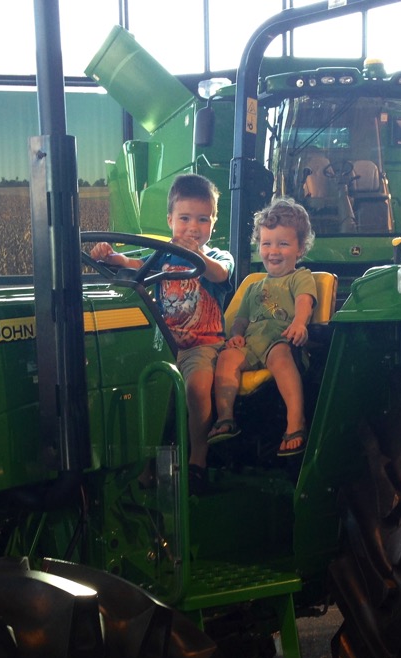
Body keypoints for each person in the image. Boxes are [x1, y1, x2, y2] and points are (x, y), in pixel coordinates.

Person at [90, 173, 234, 492]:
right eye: (185, 218)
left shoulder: (218, 257)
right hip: (163, 345)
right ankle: (145, 464)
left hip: (201, 346)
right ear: (170, 219)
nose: (193, 227)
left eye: (203, 219)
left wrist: (198, 255)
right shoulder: (161, 255)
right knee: (142, 391)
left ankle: (198, 458)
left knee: (196, 387)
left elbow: (220, 273)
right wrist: (110, 256)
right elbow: (133, 264)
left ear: (213, 222)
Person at [208, 198, 316, 458]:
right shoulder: (253, 286)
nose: (273, 251)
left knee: (280, 356)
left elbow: (305, 302)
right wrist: (236, 336)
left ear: (300, 248)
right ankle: (225, 418)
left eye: (283, 244)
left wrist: (299, 323)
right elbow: (241, 319)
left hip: (282, 339)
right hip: (252, 342)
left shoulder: (300, 277)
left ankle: (296, 422)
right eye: (266, 244)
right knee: (226, 357)